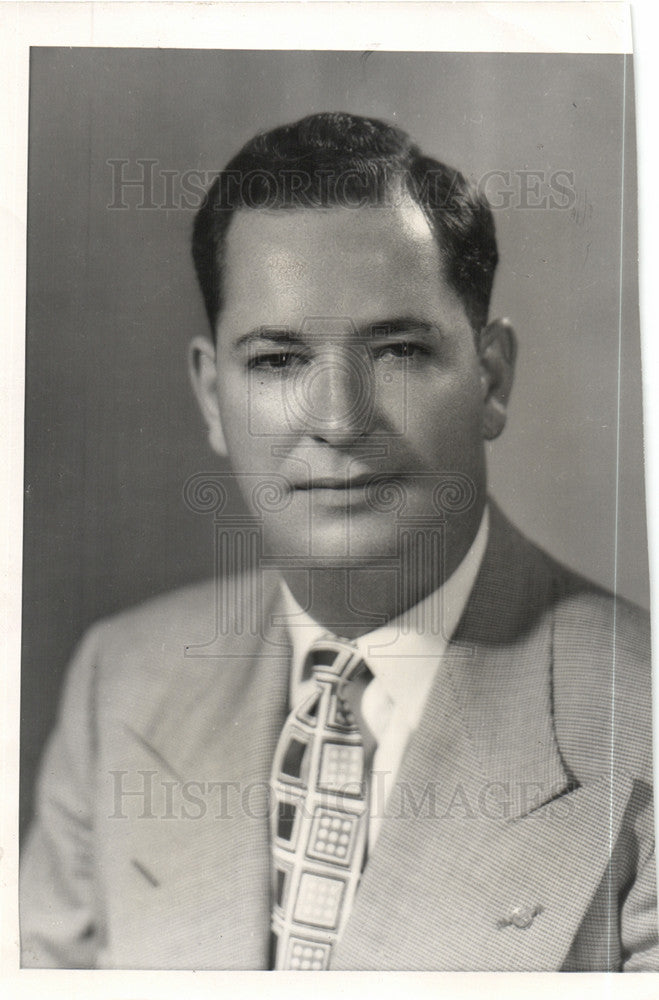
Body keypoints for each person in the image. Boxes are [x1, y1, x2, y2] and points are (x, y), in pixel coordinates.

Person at [20, 112, 656, 971]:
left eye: (395, 351)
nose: (336, 420)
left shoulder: (638, 726)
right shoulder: (120, 684)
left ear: (491, 380)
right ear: (214, 397)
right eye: (277, 361)